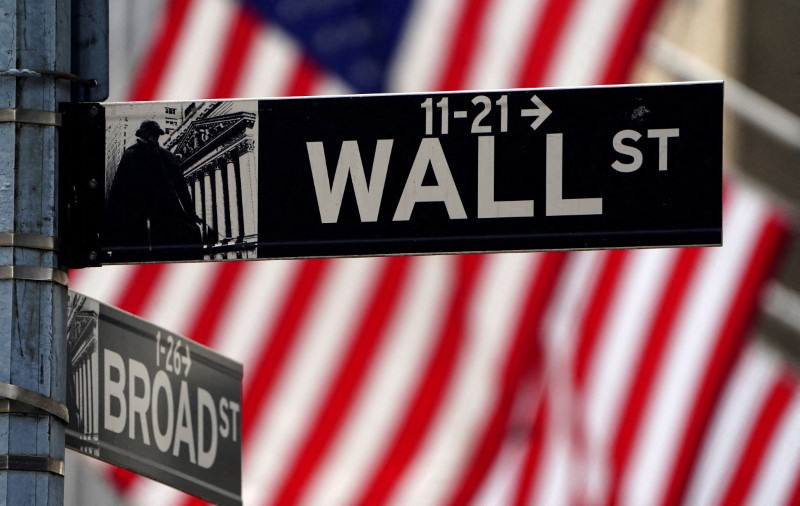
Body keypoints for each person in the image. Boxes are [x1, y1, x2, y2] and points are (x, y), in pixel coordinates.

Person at [102, 120, 203, 261]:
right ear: (147, 135)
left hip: (151, 220)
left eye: (156, 135)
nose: (155, 138)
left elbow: (116, 192)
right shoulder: (138, 154)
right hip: (146, 219)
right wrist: (191, 214)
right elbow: (118, 191)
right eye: (154, 135)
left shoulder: (139, 155)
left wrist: (191, 214)